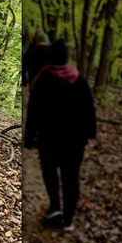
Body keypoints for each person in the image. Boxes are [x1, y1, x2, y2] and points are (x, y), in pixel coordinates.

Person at [24, 38, 96, 232]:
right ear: (66, 58)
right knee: (71, 177)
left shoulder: (43, 79)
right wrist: (90, 133)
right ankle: (68, 219)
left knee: (50, 172)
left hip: (49, 139)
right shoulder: (79, 79)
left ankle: (56, 206)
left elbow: (33, 111)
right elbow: (89, 110)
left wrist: (29, 138)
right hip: (75, 141)